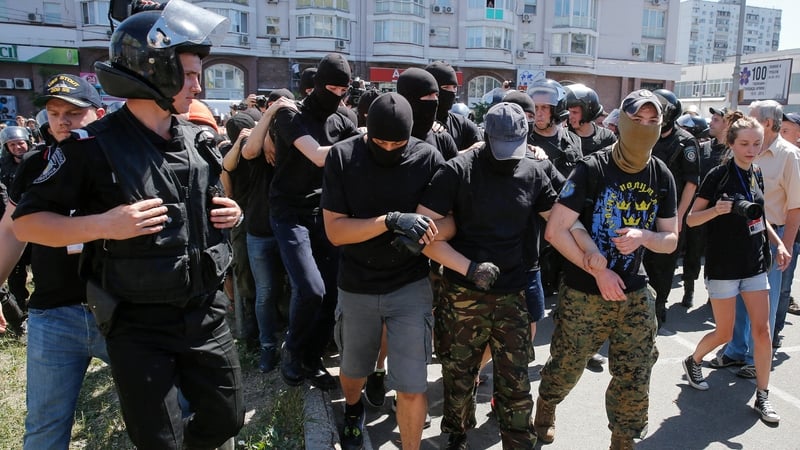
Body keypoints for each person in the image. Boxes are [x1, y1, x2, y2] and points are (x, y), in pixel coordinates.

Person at [12, 3, 245, 448]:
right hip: (137, 322)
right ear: (153, 71)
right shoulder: (90, 147)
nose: (198, 86)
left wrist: (232, 214)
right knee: (159, 439)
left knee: (227, 418)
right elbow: (27, 224)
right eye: (188, 75)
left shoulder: (198, 140)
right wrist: (104, 224)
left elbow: (210, 206)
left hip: (204, 312)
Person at [538, 89, 678, 449]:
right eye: (637, 120)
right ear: (621, 123)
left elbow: (671, 239)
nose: (645, 127)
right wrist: (598, 271)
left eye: (653, 121)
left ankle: (623, 439)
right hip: (584, 292)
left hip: (634, 292)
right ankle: (546, 405)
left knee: (636, 373)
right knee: (567, 366)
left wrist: (645, 236)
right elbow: (556, 230)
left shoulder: (661, 174)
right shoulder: (592, 168)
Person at [418, 102, 561, 450]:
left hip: (512, 294)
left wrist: (592, 257)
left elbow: (561, 221)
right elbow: (422, 232)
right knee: (459, 375)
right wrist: (469, 268)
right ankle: (457, 434)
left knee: (516, 379)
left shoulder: (534, 171)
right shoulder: (458, 170)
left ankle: (518, 440)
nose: (507, 156)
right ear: (486, 135)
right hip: (463, 294)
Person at [322, 92, 444, 450]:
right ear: (367, 131)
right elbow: (335, 231)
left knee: (412, 385)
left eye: (398, 144)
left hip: (409, 284)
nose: (389, 149)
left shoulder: (427, 157)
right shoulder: (343, 157)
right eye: (380, 142)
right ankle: (353, 408)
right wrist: (390, 221)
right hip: (357, 283)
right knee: (352, 369)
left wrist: (427, 233)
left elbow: (450, 218)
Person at [0, 73, 110, 449]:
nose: (62, 121)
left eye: (73, 113)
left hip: (118, 309)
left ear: (98, 114)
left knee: (165, 409)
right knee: (45, 426)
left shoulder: (119, 159)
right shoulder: (35, 164)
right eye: (54, 112)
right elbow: (10, 229)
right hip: (54, 313)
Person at [682, 112, 787, 424]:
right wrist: (716, 210)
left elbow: (760, 216)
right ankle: (694, 360)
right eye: (744, 144)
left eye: (756, 143)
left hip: (754, 264)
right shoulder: (717, 175)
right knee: (725, 332)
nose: (751, 149)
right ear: (731, 143)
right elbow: (691, 220)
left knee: (763, 331)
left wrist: (779, 244)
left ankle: (762, 395)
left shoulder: (757, 172)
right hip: (723, 266)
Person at [268, 53, 360, 390]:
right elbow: (318, 155)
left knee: (332, 293)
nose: (336, 94)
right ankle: (292, 351)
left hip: (325, 213)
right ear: (316, 85)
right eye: (331, 88)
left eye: (343, 89)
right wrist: (364, 136)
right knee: (310, 289)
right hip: (289, 213)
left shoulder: (343, 120)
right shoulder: (291, 115)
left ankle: (312, 358)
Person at [710, 100, 800, 377]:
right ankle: (736, 351)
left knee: (766, 302)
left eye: (753, 116)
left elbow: (795, 207)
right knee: (739, 297)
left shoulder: (789, 155)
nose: (746, 120)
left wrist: (785, 245)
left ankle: (755, 359)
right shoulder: (746, 150)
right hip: (741, 235)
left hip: (773, 235)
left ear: (768, 123)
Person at [643, 89, 699, 323]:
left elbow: (691, 183)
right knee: (643, 260)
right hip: (644, 209)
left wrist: (679, 217)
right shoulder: (647, 135)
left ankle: (659, 305)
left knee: (664, 264)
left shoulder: (685, 141)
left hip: (670, 212)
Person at [676, 112, 716, 308]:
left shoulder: (725, 151)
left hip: (713, 211)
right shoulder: (695, 150)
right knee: (689, 250)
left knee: (710, 254)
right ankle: (689, 289)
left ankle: (712, 292)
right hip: (691, 207)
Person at [0, 125, 34, 312]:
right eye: (12, 144)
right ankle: (19, 308)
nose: (17, 147)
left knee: (42, 266)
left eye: (20, 143)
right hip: (13, 222)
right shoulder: (3, 167)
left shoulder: (38, 159)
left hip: (37, 221)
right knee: (16, 271)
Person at [396, 67, 459, 161]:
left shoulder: (442, 139)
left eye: (436, 95)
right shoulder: (391, 139)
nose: (435, 100)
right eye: (429, 95)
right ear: (410, 99)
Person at [424, 61, 483, 151]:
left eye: (454, 87)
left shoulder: (462, 124)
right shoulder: (416, 125)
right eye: (446, 87)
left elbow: (481, 150)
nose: (452, 92)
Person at [779, 112, 800, 317]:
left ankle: (775, 329)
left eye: (785, 130)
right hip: (774, 229)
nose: (780, 134)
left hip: (793, 233)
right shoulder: (775, 155)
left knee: (783, 287)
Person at [564, 83, 617, 155]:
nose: (570, 116)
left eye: (575, 112)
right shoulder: (564, 136)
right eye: (568, 112)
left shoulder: (607, 137)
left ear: (587, 113)